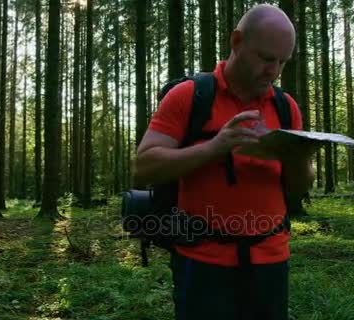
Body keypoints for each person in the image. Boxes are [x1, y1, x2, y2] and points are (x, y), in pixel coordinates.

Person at [134, 4, 315, 320]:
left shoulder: (286, 108)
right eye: (265, 58)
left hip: (270, 260)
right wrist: (213, 148)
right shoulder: (190, 96)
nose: (273, 70)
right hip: (202, 262)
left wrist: (298, 160)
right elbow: (144, 166)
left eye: (283, 61)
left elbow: (296, 190)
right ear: (236, 42)